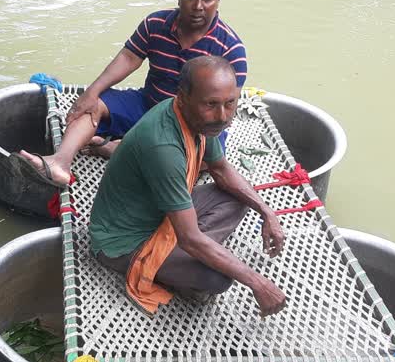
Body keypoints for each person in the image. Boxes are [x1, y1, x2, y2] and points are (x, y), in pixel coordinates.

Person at [89, 56, 287, 317]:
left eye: (230, 104)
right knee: (218, 279)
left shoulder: (197, 121)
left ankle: (184, 258)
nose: (222, 116)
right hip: (122, 241)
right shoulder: (163, 147)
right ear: (182, 98)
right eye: (211, 105)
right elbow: (190, 238)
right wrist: (259, 283)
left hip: (159, 213)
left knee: (238, 196)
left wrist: (266, 212)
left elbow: (220, 169)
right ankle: (181, 264)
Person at [19, 0, 247, 186]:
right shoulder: (156, 23)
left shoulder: (231, 49)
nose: (198, 6)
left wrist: (182, 136)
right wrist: (92, 92)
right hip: (149, 104)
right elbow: (128, 58)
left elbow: (224, 112)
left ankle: (113, 148)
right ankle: (61, 162)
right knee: (92, 105)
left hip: (194, 123)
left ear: (217, 0)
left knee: (204, 160)